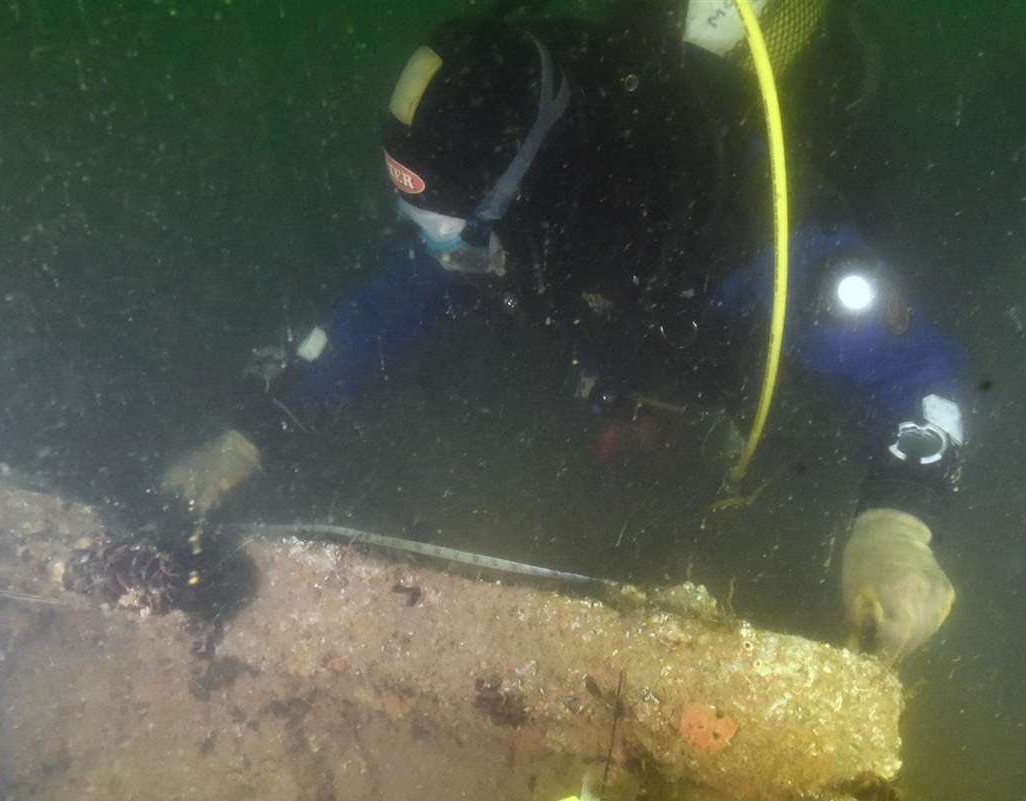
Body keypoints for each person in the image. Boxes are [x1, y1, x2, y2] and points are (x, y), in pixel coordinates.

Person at [167, 0, 966, 663]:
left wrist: (898, 523)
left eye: (452, 229)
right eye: (417, 219)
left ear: (533, 193)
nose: (437, 250)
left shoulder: (738, 229)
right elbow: (395, 296)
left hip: (737, 378)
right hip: (617, 363)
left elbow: (924, 379)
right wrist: (252, 431)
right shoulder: (501, 200)